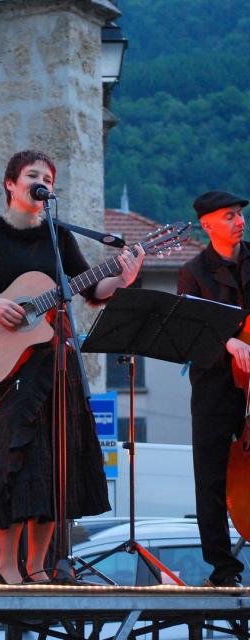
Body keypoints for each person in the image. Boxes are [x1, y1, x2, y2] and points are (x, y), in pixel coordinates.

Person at [0, 149, 144, 584]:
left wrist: (123, 277)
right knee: (14, 461)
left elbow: (91, 288)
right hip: (10, 370)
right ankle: (7, 562)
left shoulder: (57, 236)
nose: (41, 181)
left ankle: (39, 564)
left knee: (56, 465)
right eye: (33, 174)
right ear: (11, 183)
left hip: (56, 364)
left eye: (47, 176)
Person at [177, 190, 250, 588]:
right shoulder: (193, 272)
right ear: (208, 225)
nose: (239, 221)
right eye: (229, 216)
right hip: (215, 387)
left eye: (239, 215)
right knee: (210, 480)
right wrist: (230, 339)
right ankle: (224, 569)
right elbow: (191, 327)